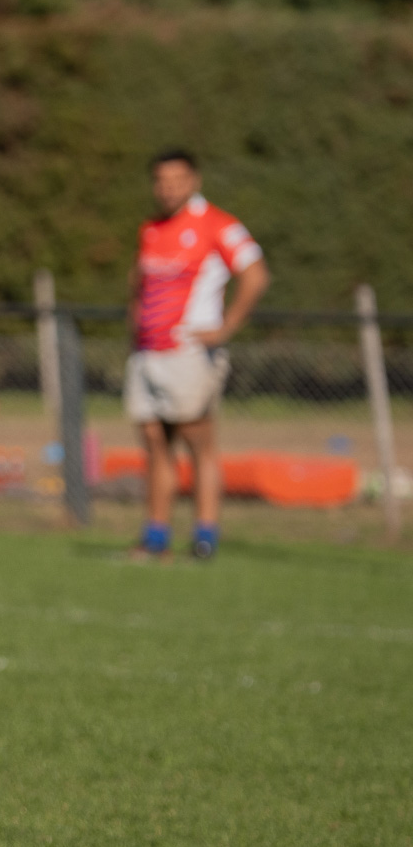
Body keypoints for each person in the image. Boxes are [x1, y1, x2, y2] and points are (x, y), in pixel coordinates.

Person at [126, 149, 268, 560]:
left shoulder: (218, 224)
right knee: (154, 441)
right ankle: (156, 537)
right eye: (161, 180)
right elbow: (138, 281)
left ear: (195, 181)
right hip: (148, 353)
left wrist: (226, 328)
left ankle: (205, 534)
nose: (168, 187)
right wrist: (134, 325)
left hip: (190, 353)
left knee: (196, 440)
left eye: (177, 179)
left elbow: (255, 275)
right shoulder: (151, 228)